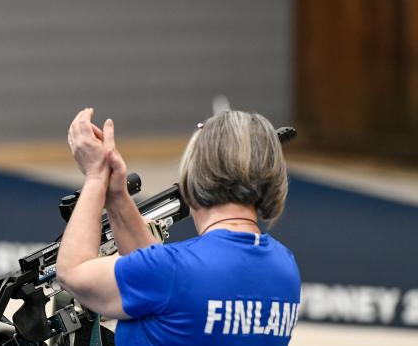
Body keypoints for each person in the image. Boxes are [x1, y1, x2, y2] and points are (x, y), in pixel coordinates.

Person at [56, 108, 301, 345]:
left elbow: (72, 272)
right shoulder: (285, 267)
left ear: (195, 175)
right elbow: (157, 274)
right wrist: (116, 195)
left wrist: (96, 177)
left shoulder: (172, 272)